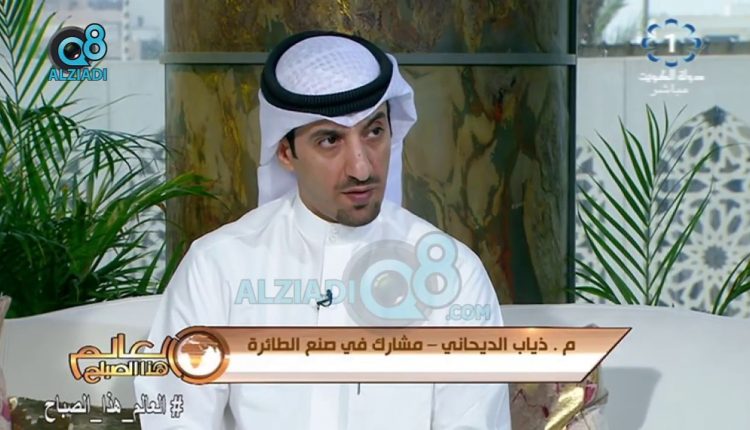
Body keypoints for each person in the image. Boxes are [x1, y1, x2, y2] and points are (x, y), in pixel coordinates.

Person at [134, 30, 511, 429]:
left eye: (374, 132)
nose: (361, 168)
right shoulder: (218, 266)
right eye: (330, 140)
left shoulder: (453, 275)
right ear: (286, 152)